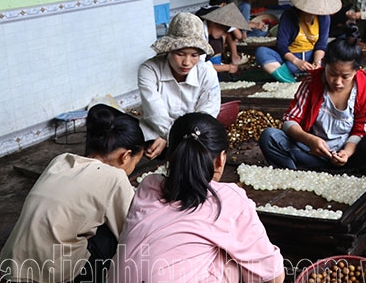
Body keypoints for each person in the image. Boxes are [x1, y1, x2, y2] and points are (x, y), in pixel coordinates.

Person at [113, 113, 284, 283]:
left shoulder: (147, 186)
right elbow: (274, 277)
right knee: (231, 258)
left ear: (171, 156)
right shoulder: (227, 199)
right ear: (221, 159)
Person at [0, 105, 144, 283]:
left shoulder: (61, 160)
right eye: (136, 162)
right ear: (126, 156)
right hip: (51, 275)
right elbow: (133, 228)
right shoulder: (115, 177)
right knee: (118, 235)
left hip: (9, 266)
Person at [259, 25, 366, 175]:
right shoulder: (312, 81)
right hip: (313, 153)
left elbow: (362, 128)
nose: (338, 82)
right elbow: (290, 119)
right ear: (324, 65)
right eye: (332, 74)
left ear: (357, 70)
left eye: (345, 77)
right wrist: (310, 140)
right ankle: (294, 174)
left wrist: (346, 153)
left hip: (353, 156)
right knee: (270, 137)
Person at [138, 12, 221, 159]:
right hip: (156, 131)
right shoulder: (149, 70)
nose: (187, 62)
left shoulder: (207, 72)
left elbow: (205, 115)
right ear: (168, 50)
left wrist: (171, 138)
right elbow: (156, 113)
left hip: (195, 135)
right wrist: (165, 136)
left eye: (194, 55)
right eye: (180, 53)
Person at [254, 0, 340, 83]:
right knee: (261, 52)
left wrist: (317, 62)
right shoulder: (289, 15)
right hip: (290, 61)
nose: (312, 14)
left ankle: (317, 73)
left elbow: (321, 44)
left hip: (313, 58)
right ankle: (290, 80)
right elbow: (281, 45)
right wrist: (297, 61)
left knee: (339, 53)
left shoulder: (324, 18)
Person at [200, 3, 250, 75]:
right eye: (223, 30)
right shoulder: (200, 34)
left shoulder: (208, 33)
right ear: (213, 23)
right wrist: (228, 67)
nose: (223, 34)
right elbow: (199, 66)